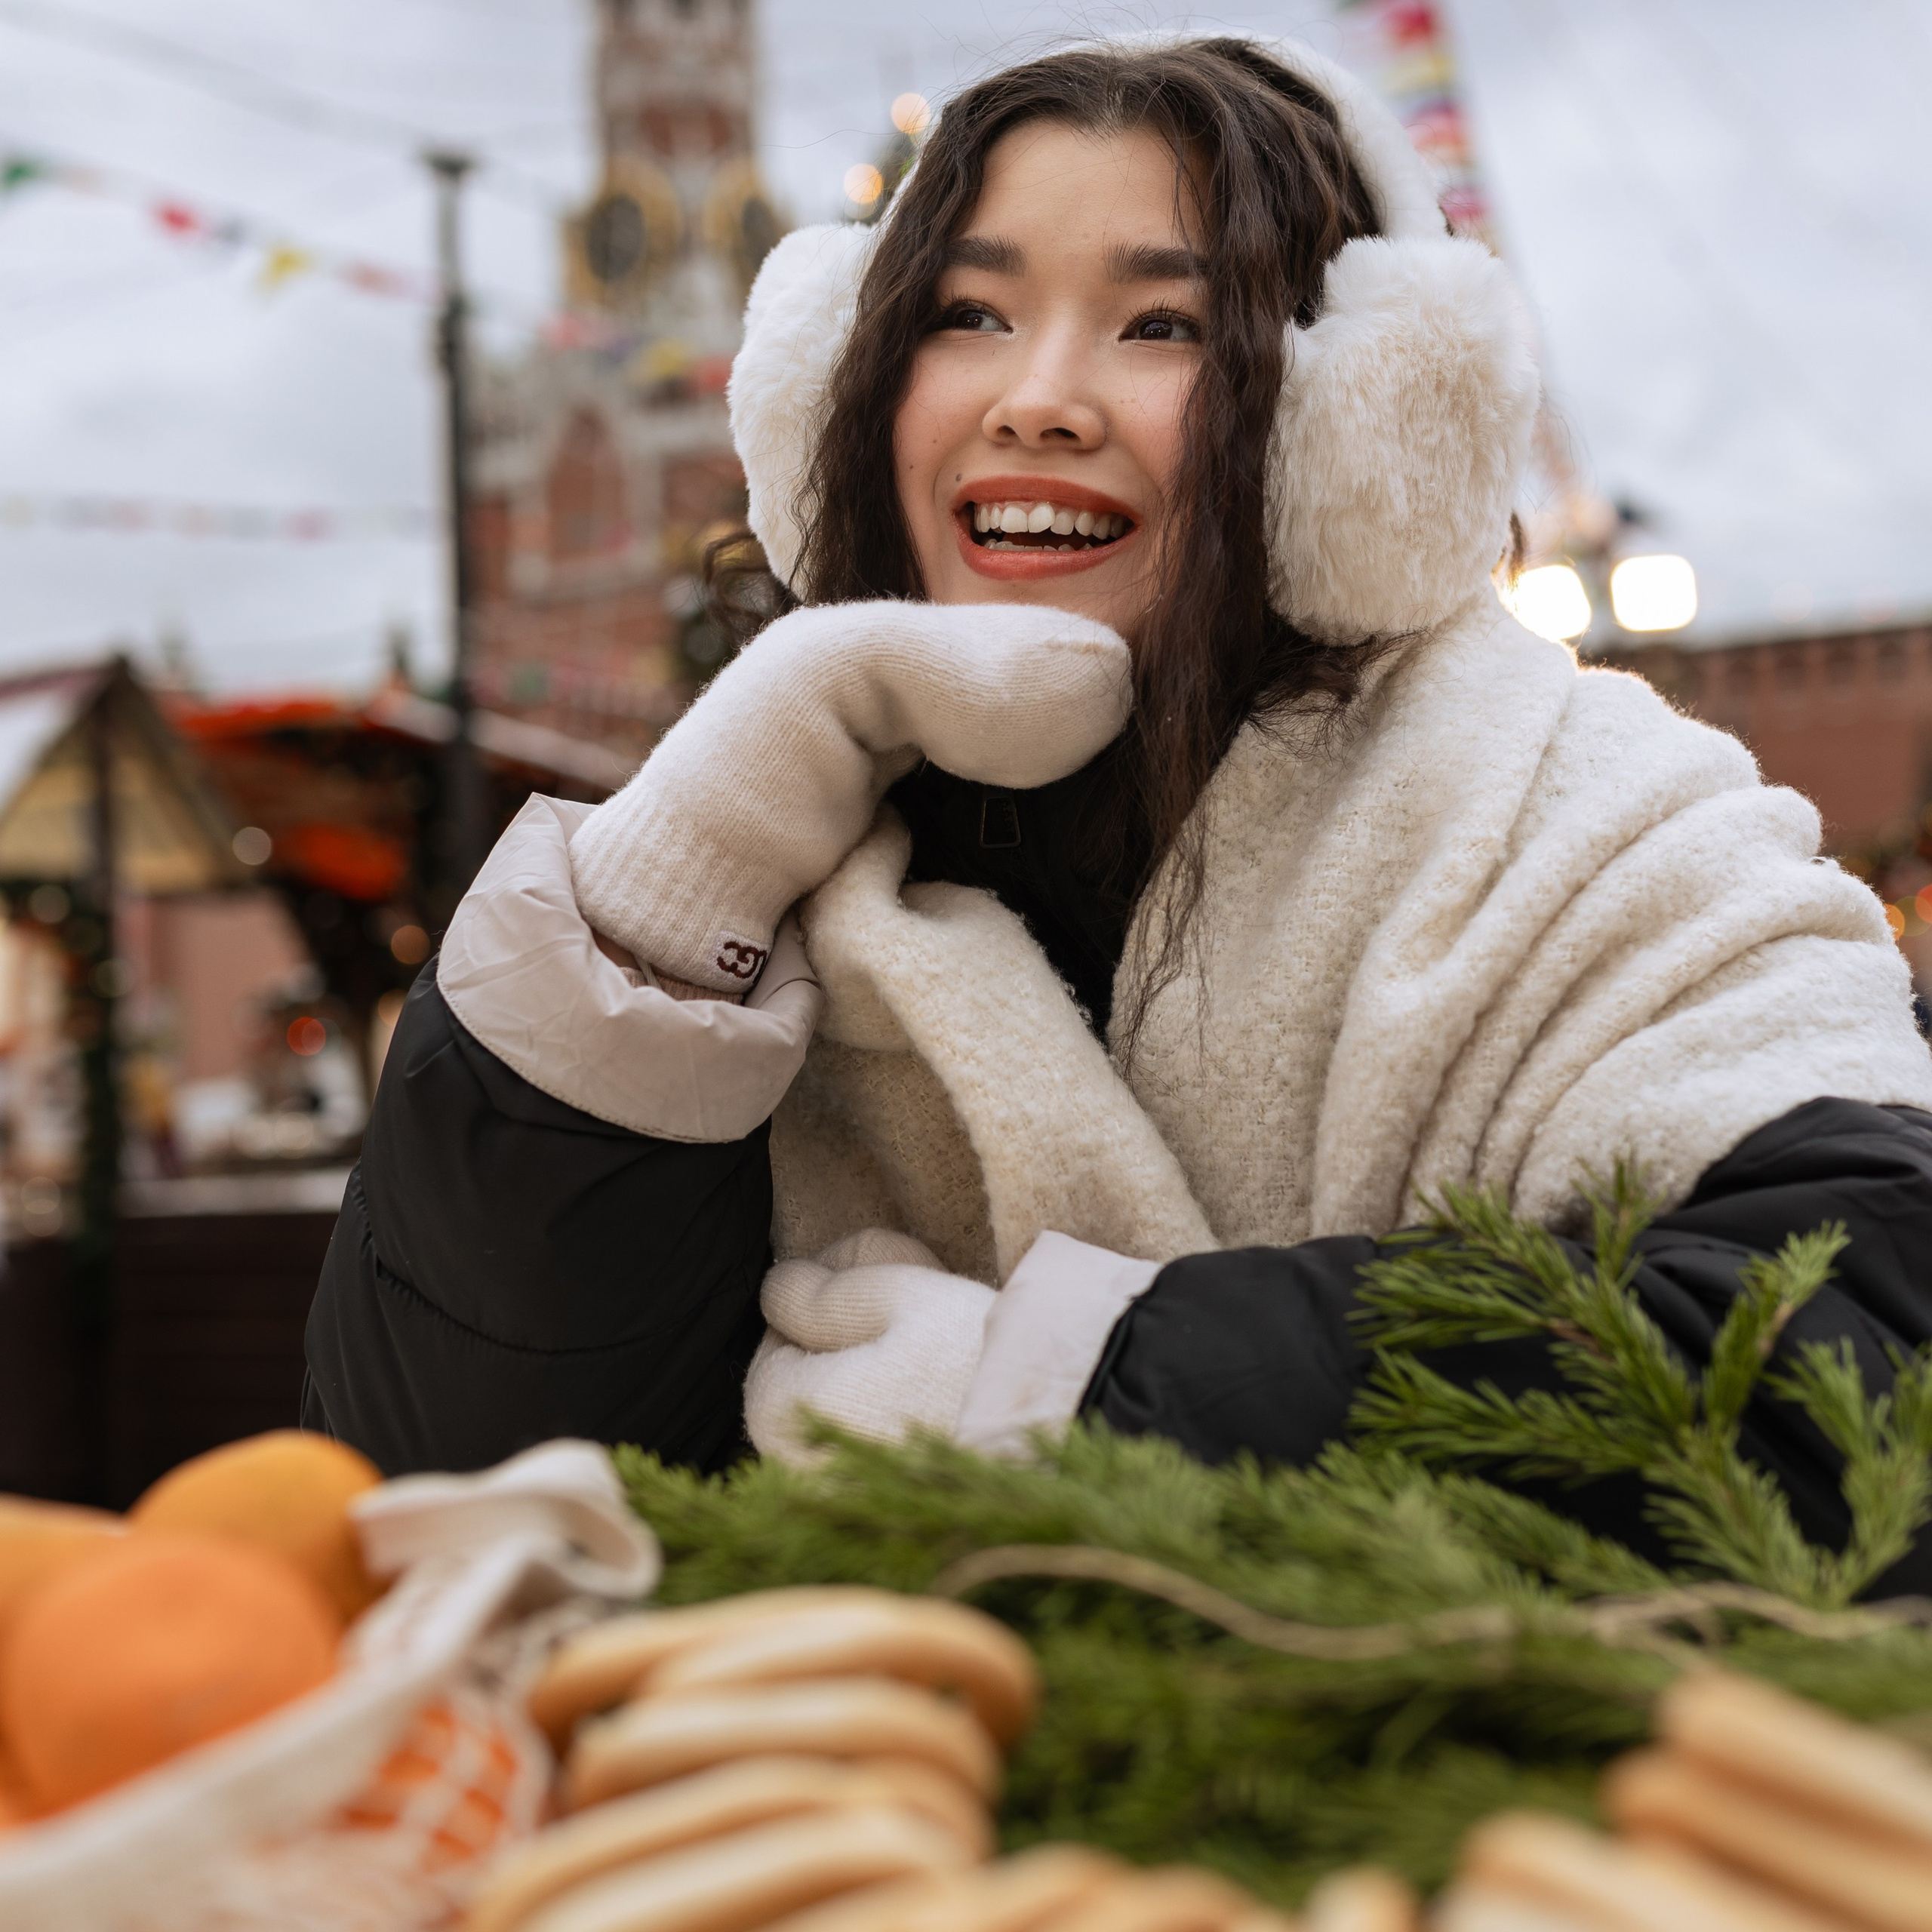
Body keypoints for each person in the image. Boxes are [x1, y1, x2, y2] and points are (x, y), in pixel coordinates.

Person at [304, 35, 1932, 1584]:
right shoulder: (761, 881)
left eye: (1161, 326)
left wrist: (1041, 1407)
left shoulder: (1592, 827)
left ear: (1358, 421)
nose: (1037, 399)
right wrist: (676, 882)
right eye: (967, 313)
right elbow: (443, 1488)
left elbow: (1871, 1360)